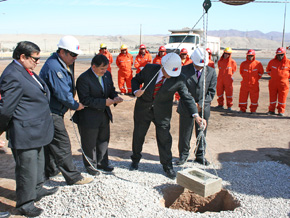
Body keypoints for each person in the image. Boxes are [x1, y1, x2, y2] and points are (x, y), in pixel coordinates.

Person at [0, 41, 58, 217]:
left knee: (38, 163)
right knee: (26, 168)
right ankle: (25, 203)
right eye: (35, 58)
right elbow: (5, 109)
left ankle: (37, 189)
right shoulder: (12, 75)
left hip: (36, 129)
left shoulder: (26, 71)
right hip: (25, 131)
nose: (38, 62)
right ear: (22, 57)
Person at [129, 53, 206, 179]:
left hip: (162, 113)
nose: (170, 76)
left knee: (165, 139)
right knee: (138, 135)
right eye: (168, 72)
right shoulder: (149, 69)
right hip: (143, 110)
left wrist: (196, 115)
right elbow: (135, 80)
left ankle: (167, 166)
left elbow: (187, 97)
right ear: (162, 66)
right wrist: (136, 91)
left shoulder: (179, 78)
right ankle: (135, 160)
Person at [39, 35, 93, 185]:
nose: (75, 58)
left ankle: (50, 170)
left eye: (77, 55)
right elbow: (62, 93)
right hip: (50, 112)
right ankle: (73, 177)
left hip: (53, 110)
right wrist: (76, 105)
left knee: (50, 141)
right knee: (62, 143)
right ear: (62, 52)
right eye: (73, 54)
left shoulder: (61, 62)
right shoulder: (55, 67)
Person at [73, 54, 123, 175]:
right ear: (93, 66)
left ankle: (102, 163)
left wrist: (115, 97)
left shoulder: (107, 75)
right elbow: (85, 100)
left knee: (103, 140)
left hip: (104, 115)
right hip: (89, 116)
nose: (104, 71)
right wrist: (104, 102)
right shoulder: (84, 78)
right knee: (89, 143)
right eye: (102, 69)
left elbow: (111, 89)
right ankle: (91, 166)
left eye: (106, 68)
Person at [176, 48, 217, 166]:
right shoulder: (183, 70)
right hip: (186, 106)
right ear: (192, 60)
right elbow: (181, 89)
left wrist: (200, 104)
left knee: (202, 132)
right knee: (185, 132)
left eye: (202, 65)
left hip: (203, 107)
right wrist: (192, 104)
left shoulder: (211, 71)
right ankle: (183, 155)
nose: (200, 67)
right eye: (198, 65)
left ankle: (200, 155)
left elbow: (211, 92)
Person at [266, 47, 290, 116]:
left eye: (281, 54)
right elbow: (268, 70)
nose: (279, 56)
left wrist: (285, 77)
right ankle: (271, 110)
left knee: (282, 98)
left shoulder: (288, 62)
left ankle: (281, 111)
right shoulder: (272, 62)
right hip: (273, 83)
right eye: (278, 54)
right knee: (272, 97)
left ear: (284, 54)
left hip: (284, 84)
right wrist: (274, 76)